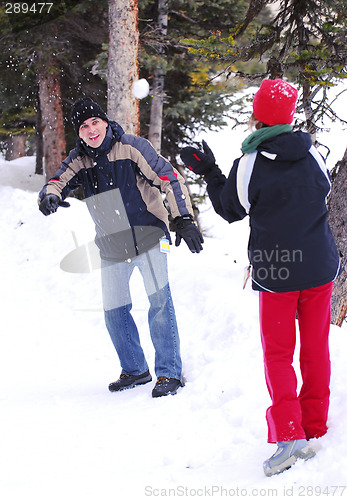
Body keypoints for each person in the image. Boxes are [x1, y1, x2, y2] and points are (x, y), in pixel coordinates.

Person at [180, 78, 340, 475]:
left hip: (279, 270)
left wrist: (210, 172)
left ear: (256, 116)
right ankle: (315, 425)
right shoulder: (313, 152)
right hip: (319, 266)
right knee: (316, 347)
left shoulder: (250, 163)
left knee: (279, 354)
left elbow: (230, 208)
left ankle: (291, 436)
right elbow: (322, 192)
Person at [38, 97, 204, 398]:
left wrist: (183, 218)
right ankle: (135, 369)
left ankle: (169, 373)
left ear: (105, 121)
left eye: (95, 122)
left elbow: (169, 177)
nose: (91, 131)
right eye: (84, 126)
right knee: (114, 311)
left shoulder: (131, 147)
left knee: (159, 304)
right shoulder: (79, 159)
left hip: (150, 234)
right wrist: (48, 196)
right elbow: (56, 181)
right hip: (113, 243)